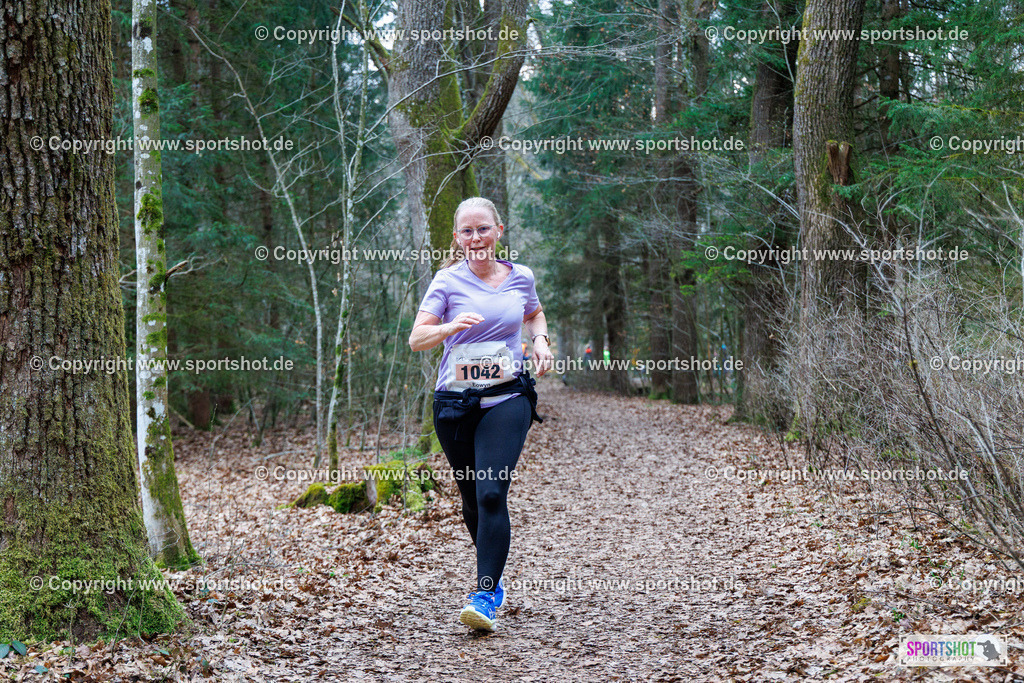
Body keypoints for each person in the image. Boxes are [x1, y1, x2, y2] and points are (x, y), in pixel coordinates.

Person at [409, 197, 553, 632]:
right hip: (454, 404)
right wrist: (449, 327)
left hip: (507, 398)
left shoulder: (520, 276)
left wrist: (540, 341)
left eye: (483, 229)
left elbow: (534, 314)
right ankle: (494, 572)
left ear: (498, 231)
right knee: (472, 499)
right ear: (457, 238)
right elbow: (417, 339)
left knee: (491, 494)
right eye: (467, 231)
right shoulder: (446, 281)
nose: (476, 238)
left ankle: (485, 594)